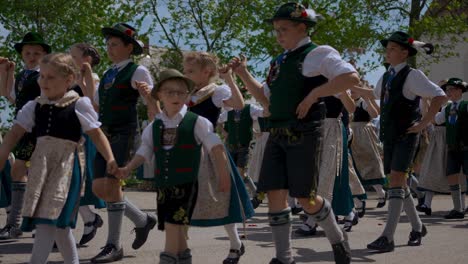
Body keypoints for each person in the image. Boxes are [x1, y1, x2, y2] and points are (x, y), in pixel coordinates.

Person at [230, 3, 361, 263]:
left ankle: (337, 237)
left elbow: (350, 78)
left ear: (302, 28)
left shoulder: (318, 53)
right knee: (275, 193)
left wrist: (314, 94)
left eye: (284, 29)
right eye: (276, 30)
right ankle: (284, 257)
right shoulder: (278, 61)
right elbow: (265, 99)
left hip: (305, 132)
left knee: (306, 198)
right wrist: (243, 73)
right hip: (277, 132)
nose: (278, 35)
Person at [0, 52, 117, 264]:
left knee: (51, 223)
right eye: (42, 76)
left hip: (67, 169)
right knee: (56, 227)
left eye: (51, 77)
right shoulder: (33, 106)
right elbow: (14, 134)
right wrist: (1, 157)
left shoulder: (79, 104)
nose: (44, 81)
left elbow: (97, 135)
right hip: (40, 168)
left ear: (69, 79)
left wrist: (110, 160)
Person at [116, 69, 231, 264]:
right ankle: (184, 257)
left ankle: (167, 258)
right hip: (163, 184)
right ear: (159, 95)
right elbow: (145, 149)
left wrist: (224, 175)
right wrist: (128, 168)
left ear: (187, 95)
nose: (176, 96)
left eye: (181, 92)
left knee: (173, 223)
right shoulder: (155, 125)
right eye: (170, 92)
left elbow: (216, 147)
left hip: (186, 183)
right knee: (176, 226)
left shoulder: (197, 122)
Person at [365, 31, 447, 252]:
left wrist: (424, 123)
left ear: (404, 52)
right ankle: (418, 227)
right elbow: (372, 94)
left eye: (392, 48)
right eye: (387, 48)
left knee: (397, 179)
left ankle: (387, 236)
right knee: (397, 181)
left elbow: (440, 95)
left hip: (407, 135)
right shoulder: (387, 75)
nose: (387, 52)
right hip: (391, 135)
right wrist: (342, 86)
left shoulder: (413, 75)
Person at [90, 23, 157, 263]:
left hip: (124, 134)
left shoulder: (137, 71)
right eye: (108, 44)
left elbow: (152, 104)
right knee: (99, 188)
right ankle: (142, 219)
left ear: (129, 48)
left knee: (113, 185)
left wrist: (149, 97)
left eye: (115, 44)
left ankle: (113, 245)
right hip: (104, 135)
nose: (110, 48)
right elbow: (96, 105)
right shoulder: (108, 73)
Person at [183, 51, 254, 264]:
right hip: (188, 149)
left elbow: (239, 105)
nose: (186, 74)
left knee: (223, 198)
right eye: (185, 70)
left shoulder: (215, 91)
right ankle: (179, 248)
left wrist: (229, 78)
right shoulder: (189, 93)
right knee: (183, 199)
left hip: (209, 150)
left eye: (191, 71)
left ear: (207, 72)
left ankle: (235, 244)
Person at [0, 32, 50, 239]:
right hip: (24, 129)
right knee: (20, 172)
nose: (31, 56)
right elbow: (9, 95)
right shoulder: (23, 75)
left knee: (31, 174)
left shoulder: (44, 75)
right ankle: (17, 223)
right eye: (27, 53)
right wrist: (6, 72)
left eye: (36, 53)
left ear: (44, 55)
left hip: (40, 129)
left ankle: (24, 223)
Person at [69, 43, 106, 245]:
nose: (70, 59)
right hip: (70, 132)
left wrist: (82, 79)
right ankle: (88, 219)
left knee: (82, 181)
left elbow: (92, 104)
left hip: (85, 133)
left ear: (86, 60)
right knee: (73, 182)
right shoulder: (70, 79)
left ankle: (88, 219)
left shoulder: (94, 79)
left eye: (73, 56)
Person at [434, 77, 468, 219]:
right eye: (447, 90)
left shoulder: (466, 105)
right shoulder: (447, 108)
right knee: (452, 175)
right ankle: (458, 209)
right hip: (453, 148)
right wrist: (432, 103)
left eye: (451, 89)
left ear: (460, 90)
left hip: (466, 147)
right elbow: (436, 120)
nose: (448, 92)